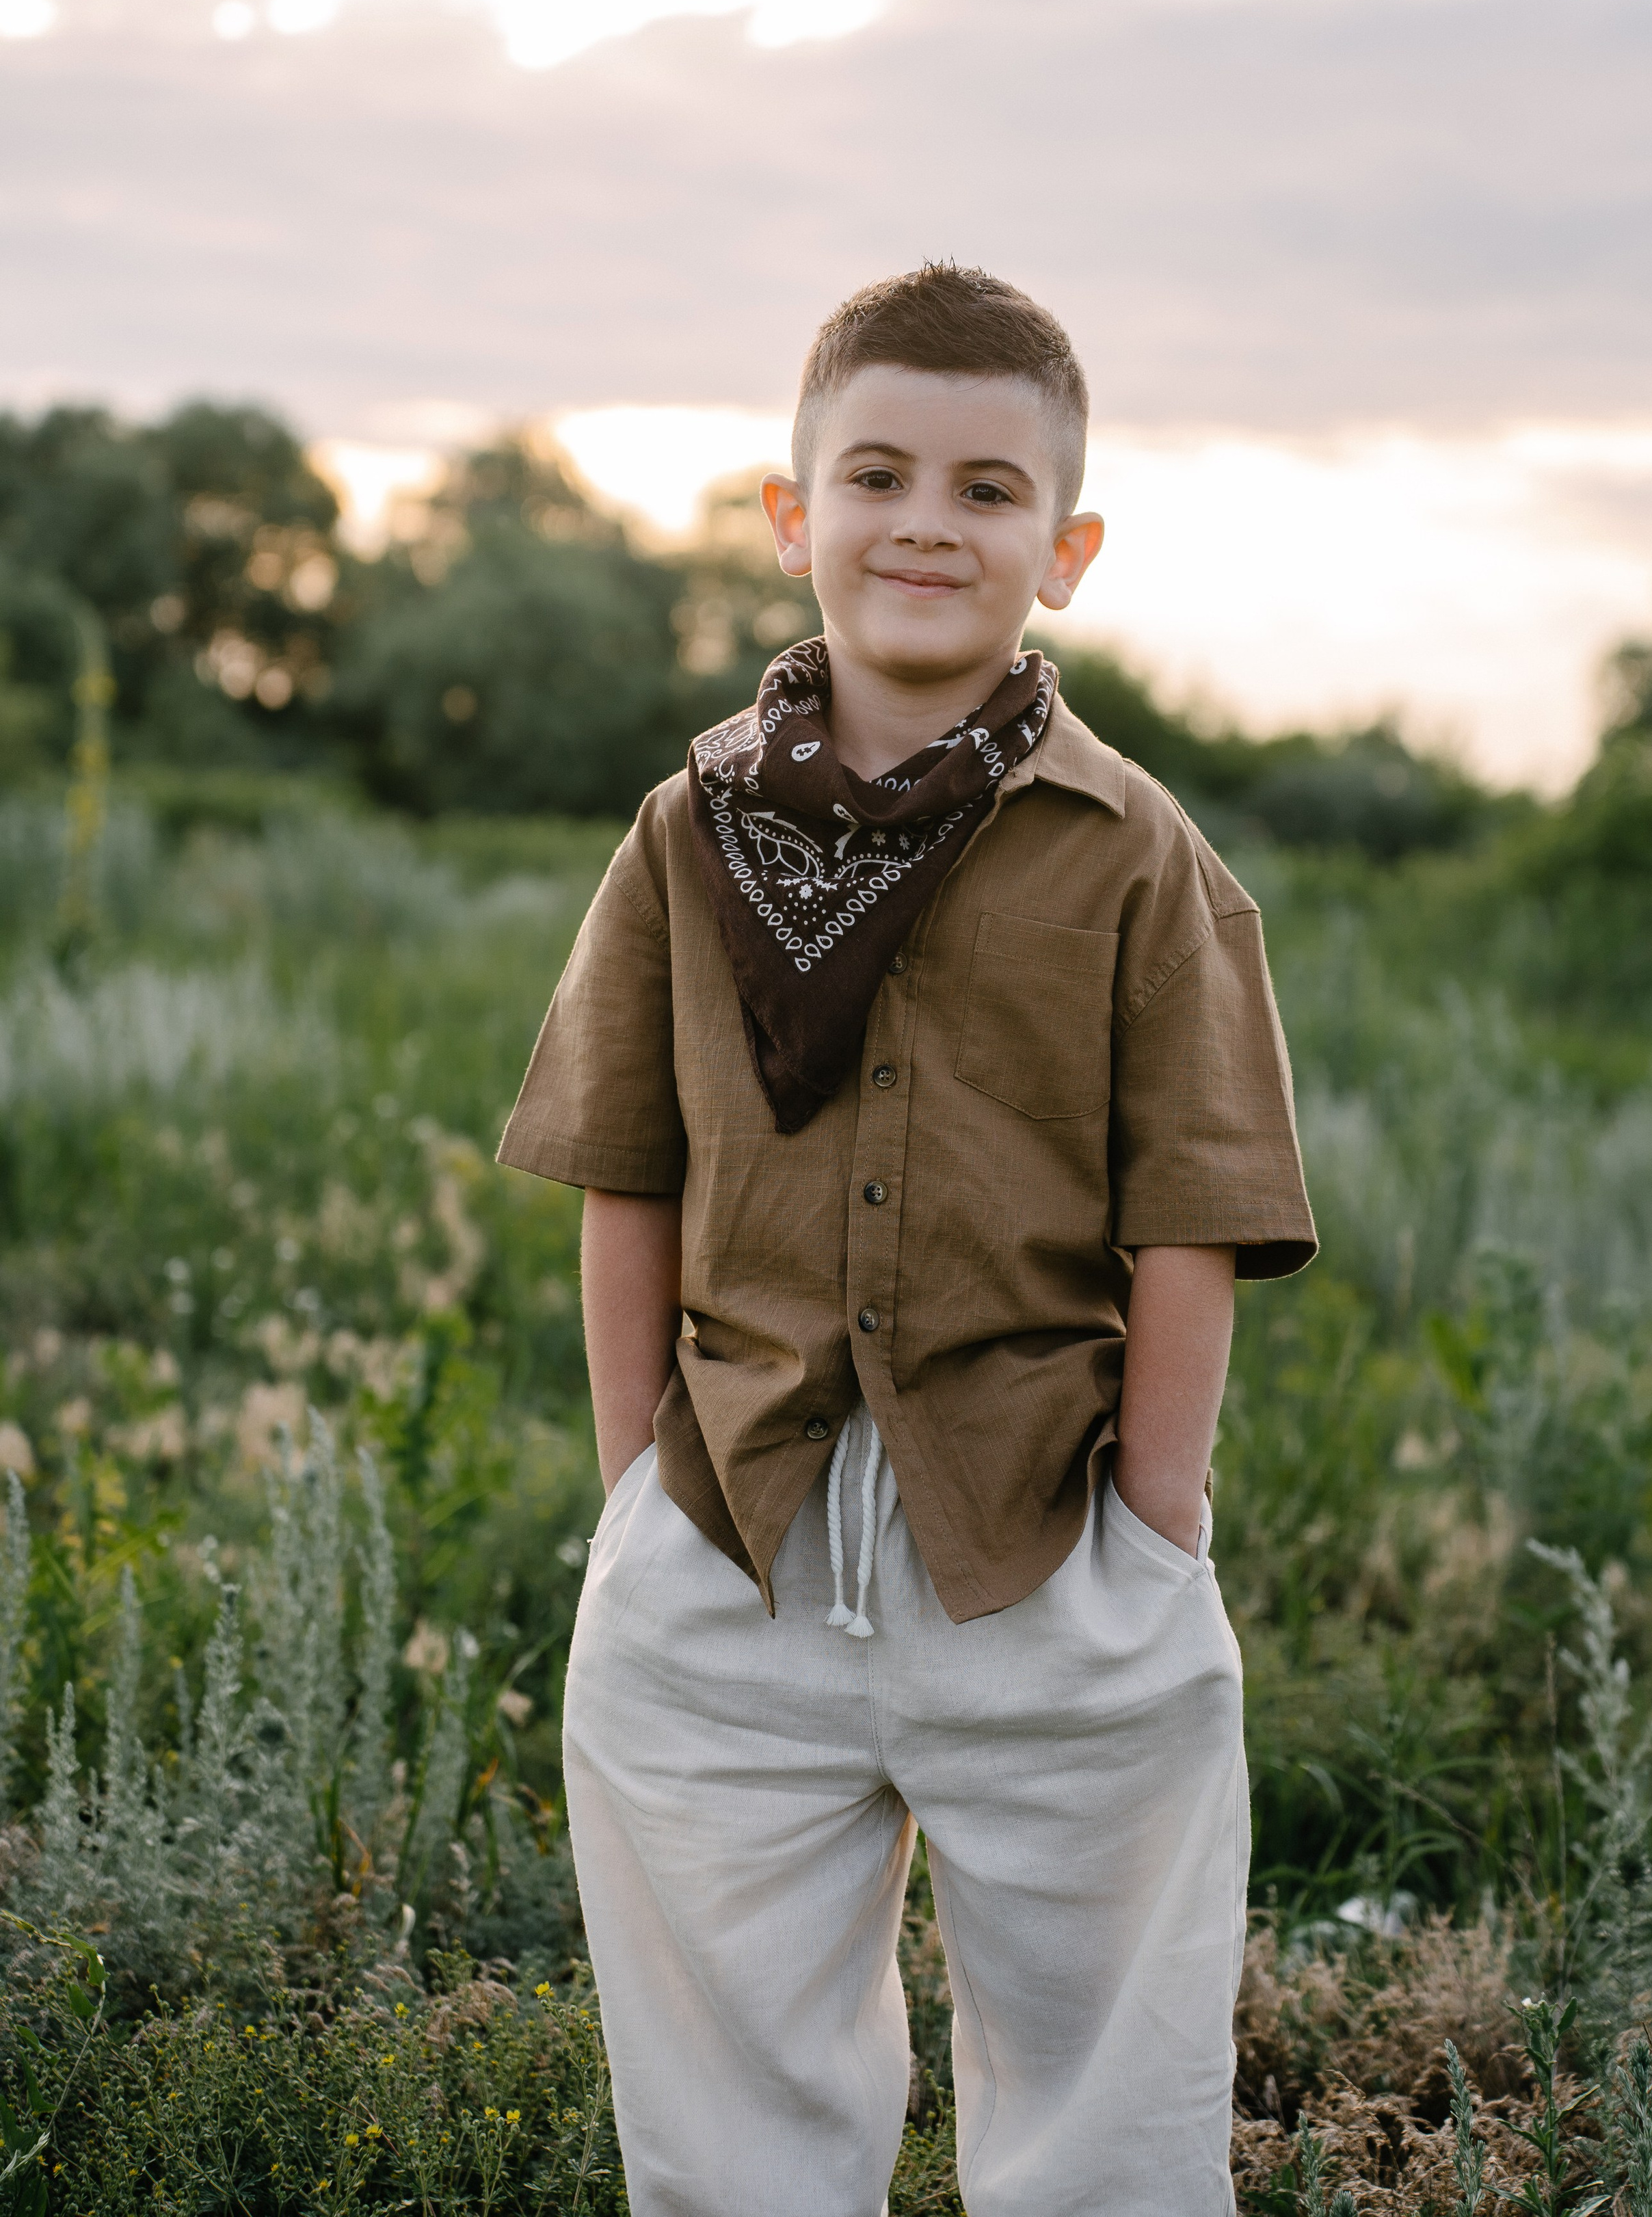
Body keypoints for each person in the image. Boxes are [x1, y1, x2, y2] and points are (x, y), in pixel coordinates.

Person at [497, 263, 1317, 2217]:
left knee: (1108, 2129)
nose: (928, 523)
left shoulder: (1135, 854)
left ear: (1068, 546)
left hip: (1045, 1557)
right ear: (795, 518)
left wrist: (1158, 1530)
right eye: (876, 475)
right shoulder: (683, 832)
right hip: (730, 1547)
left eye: (987, 489)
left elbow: (1193, 1214)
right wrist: (639, 1498)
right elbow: (631, 1170)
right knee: (728, 2129)